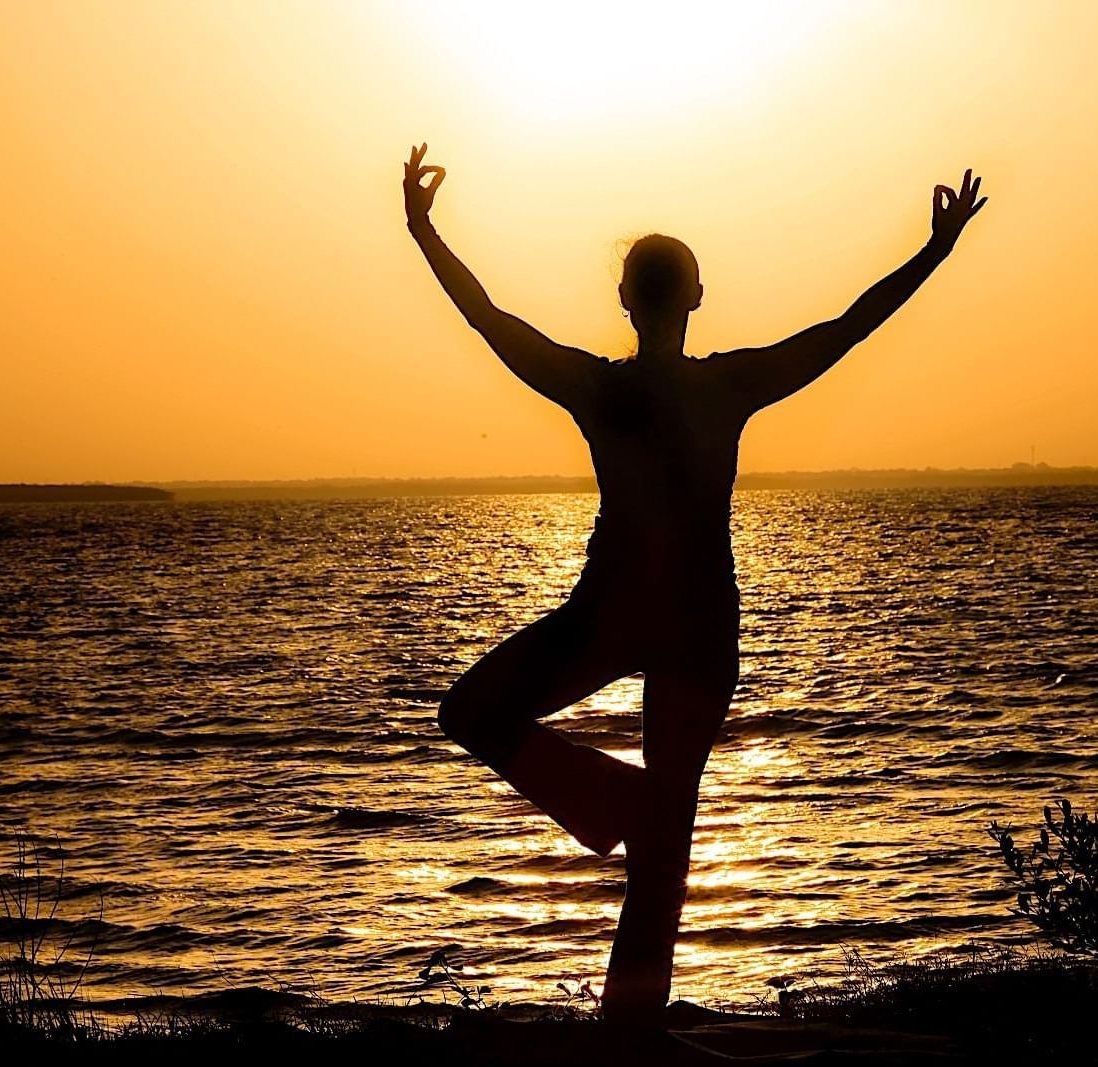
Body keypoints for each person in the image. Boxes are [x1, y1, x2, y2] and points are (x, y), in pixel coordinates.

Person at [403, 143, 986, 1025]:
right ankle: (628, 869)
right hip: (674, 621)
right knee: (655, 827)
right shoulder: (716, 386)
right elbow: (847, 325)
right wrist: (934, 252)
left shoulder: (604, 388)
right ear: (696, 298)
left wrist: (423, 231)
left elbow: (490, 319)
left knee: (483, 720)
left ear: (626, 301)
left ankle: (629, 1023)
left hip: (639, 618)